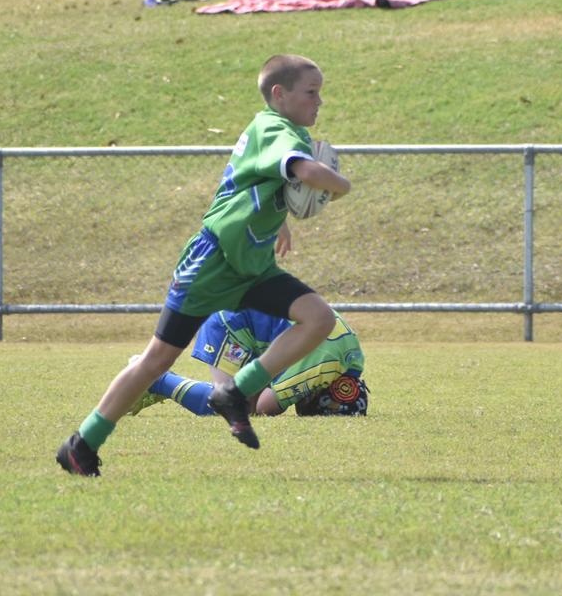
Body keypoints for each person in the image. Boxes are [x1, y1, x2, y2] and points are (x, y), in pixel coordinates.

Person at [56, 54, 352, 477]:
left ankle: (235, 391)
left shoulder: (277, 129)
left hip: (251, 266)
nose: (319, 101)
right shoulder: (276, 128)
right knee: (157, 359)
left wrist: (278, 219)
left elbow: (252, 183)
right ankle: (82, 443)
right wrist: (341, 184)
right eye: (311, 92)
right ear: (279, 94)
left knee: (318, 318)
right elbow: (302, 170)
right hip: (213, 263)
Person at [131, 308, 368, 418]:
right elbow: (266, 406)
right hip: (233, 326)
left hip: (246, 315)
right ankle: (157, 380)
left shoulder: (353, 360)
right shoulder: (321, 368)